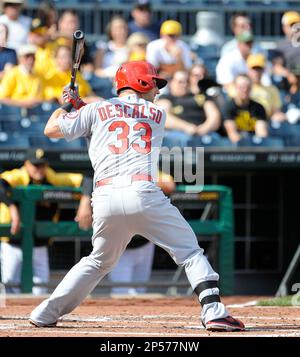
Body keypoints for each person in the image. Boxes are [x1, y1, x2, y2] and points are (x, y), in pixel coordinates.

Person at [29, 60, 244, 332]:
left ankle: (46, 312)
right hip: (143, 193)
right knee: (189, 251)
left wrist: (69, 104)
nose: (157, 88)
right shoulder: (157, 113)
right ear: (141, 82)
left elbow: (52, 129)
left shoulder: (97, 109)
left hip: (105, 196)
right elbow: (119, 115)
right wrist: (81, 105)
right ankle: (214, 311)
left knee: (98, 260)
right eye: (154, 82)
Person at [76, 172, 176, 295]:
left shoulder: (146, 167)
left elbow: (169, 184)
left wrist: (139, 180)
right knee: (121, 292)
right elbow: (88, 178)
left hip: (144, 243)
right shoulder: (111, 169)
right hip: (120, 248)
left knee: (141, 292)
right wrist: (85, 200)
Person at [0, 148, 84, 295]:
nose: (39, 168)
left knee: (41, 290)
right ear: (26, 164)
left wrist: (84, 202)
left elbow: (86, 181)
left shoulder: (52, 177)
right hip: (13, 244)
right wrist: (12, 208)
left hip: (40, 245)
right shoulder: (18, 176)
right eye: (35, 165)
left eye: (42, 164)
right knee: (9, 285)